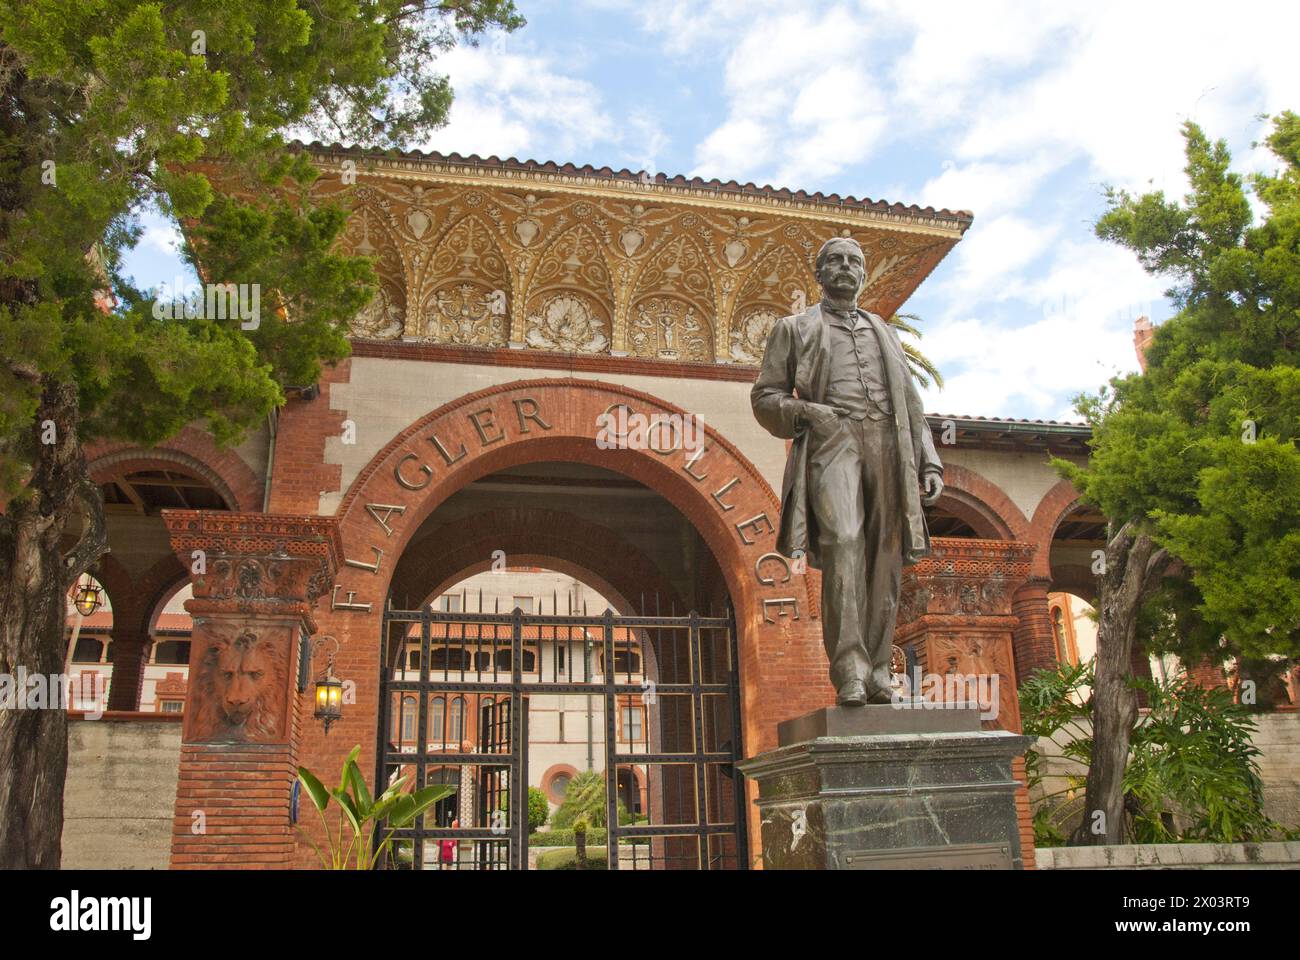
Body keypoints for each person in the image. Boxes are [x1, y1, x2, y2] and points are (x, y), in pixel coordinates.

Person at [751, 236, 944, 706]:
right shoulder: (794, 328)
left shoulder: (884, 331)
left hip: (888, 443)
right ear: (819, 273)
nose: (844, 268)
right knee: (844, 543)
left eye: (853, 262)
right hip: (832, 440)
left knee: (886, 552)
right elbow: (765, 397)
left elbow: (911, 405)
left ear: (863, 274)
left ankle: (880, 673)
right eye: (834, 261)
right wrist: (809, 413)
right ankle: (850, 671)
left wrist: (929, 459)